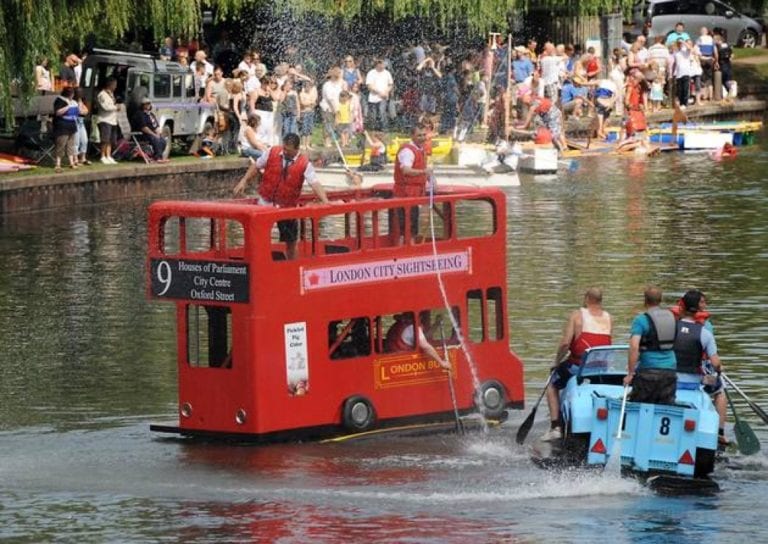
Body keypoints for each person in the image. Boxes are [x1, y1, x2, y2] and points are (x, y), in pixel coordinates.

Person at [232, 133, 333, 259]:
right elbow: (256, 165)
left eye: (288, 150)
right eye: (284, 148)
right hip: (265, 201)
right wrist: (244, 180)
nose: (284, 152)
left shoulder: (304, 164)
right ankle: (259, 261)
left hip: (287, 206)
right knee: (259, 237)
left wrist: (325, 201)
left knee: (291, 241)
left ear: (297, 149)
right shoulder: (272, 152)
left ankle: (292, 265)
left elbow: (315, 183)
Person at [542, 288, 612, 441]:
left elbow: (565, 344)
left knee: (552, 384)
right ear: (600, 301)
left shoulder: (577, 315)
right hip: (601, 369)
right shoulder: (608, 318)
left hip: (579, 367)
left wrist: (556, 362)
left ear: (587, 299)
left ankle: (555, 427)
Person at [672, 290, 729, 446]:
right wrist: (719, 369)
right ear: (698, 308)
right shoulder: (705, 332)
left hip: (668, 379)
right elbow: (715, 363)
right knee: (720, 390)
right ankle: (720, 432)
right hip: (694, 381)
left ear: (682, 306)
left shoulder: (669, 328)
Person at [624, 286, 678, 404]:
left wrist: (630, 374)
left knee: (640, 406)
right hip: (670, 370)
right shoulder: (672, 318)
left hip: (648, 371)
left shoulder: (641, 320)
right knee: (665, 407)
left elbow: (634, 347)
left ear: (645, 300)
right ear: (660, 300)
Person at [394, 124, 433, 238]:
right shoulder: (407, 151)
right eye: (419, 135)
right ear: (412, 136)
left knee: (413, 225)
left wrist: (429, 179)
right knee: (407, 227)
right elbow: (406, 170)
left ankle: (410, 242)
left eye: (424, 135)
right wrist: (424, 172)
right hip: (405, 192)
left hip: (415, 192)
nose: (422, 138)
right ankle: (406, 245)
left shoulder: (420, 150)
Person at [384, 312, 450, 370]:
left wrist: (436, 324)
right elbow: (426, 347)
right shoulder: (412, 328)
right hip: (403, 363)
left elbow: (424, 337)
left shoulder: (398, 325)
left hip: (393, 359)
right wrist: (442, 363)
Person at [51, 86, 79, 173]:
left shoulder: (74, 101)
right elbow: (57, 112)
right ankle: (58, 164)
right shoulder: (59, 100)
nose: (72, 95)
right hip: (62, 126)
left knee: (71, 144)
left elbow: (79, 112)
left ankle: (71, 162)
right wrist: (68, 107)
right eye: (71, 94)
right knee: (61, 144)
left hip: (72, 125)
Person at [94, 77, 121, 164]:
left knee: (111, 140)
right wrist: (116, 107)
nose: (115, 87)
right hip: (105, 120)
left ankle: (108, 155)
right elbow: (105, 107)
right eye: (114, 85)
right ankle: (102, 156)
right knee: (105, 139)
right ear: (110, 84)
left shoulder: (111, 94)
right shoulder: (102, 94)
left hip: (113, 120)